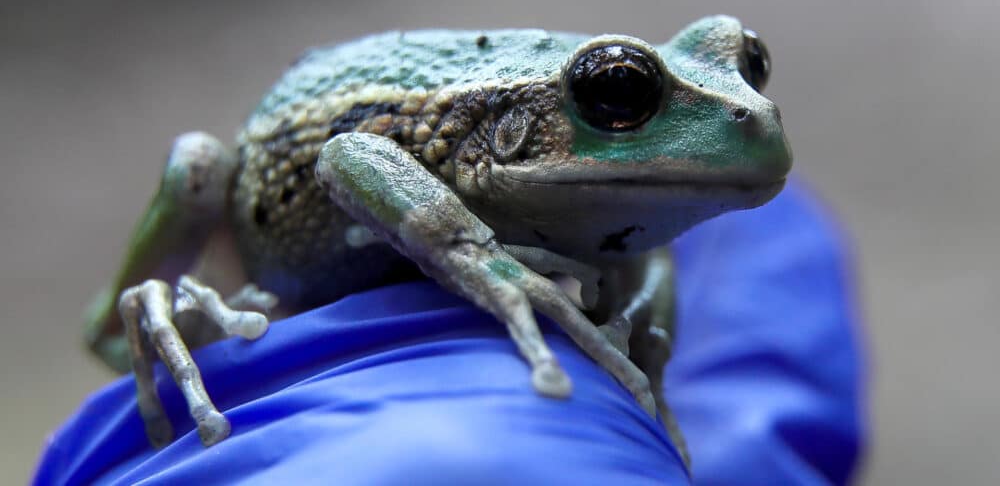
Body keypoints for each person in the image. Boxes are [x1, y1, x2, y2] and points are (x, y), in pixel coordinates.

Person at [33, 178, 867, 485]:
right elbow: (350, 151)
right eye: (620, 95)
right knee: (198, 163)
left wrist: (646, 340)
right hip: (271, 256)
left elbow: (645, 261)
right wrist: (475, 254)